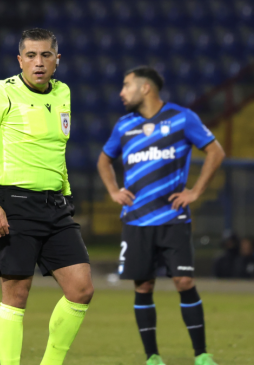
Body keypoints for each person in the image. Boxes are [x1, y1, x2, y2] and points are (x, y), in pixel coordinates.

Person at [0, 28, 92, 365]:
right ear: (19, 60)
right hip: (13, 205)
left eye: (46, 55)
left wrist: (66, 193)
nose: (39, 63)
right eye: (32, 56)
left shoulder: (63, 93)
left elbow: (57, 151)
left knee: (81, 289)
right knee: (16, 295)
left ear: (57, 60)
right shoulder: (0, 93)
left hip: (55, 207)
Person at [97, 66, 225, 365]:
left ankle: (202, 354)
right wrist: (114, 190)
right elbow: (104, 160)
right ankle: (152, 357)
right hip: (136, 220)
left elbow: (216, 152)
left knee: (183, 281)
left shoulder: (182, 118)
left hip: (173, 218)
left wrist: (195, 191)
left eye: (126, 86)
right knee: (143, 286)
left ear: (146, 88)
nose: (121, 92)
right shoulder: (123, 125)